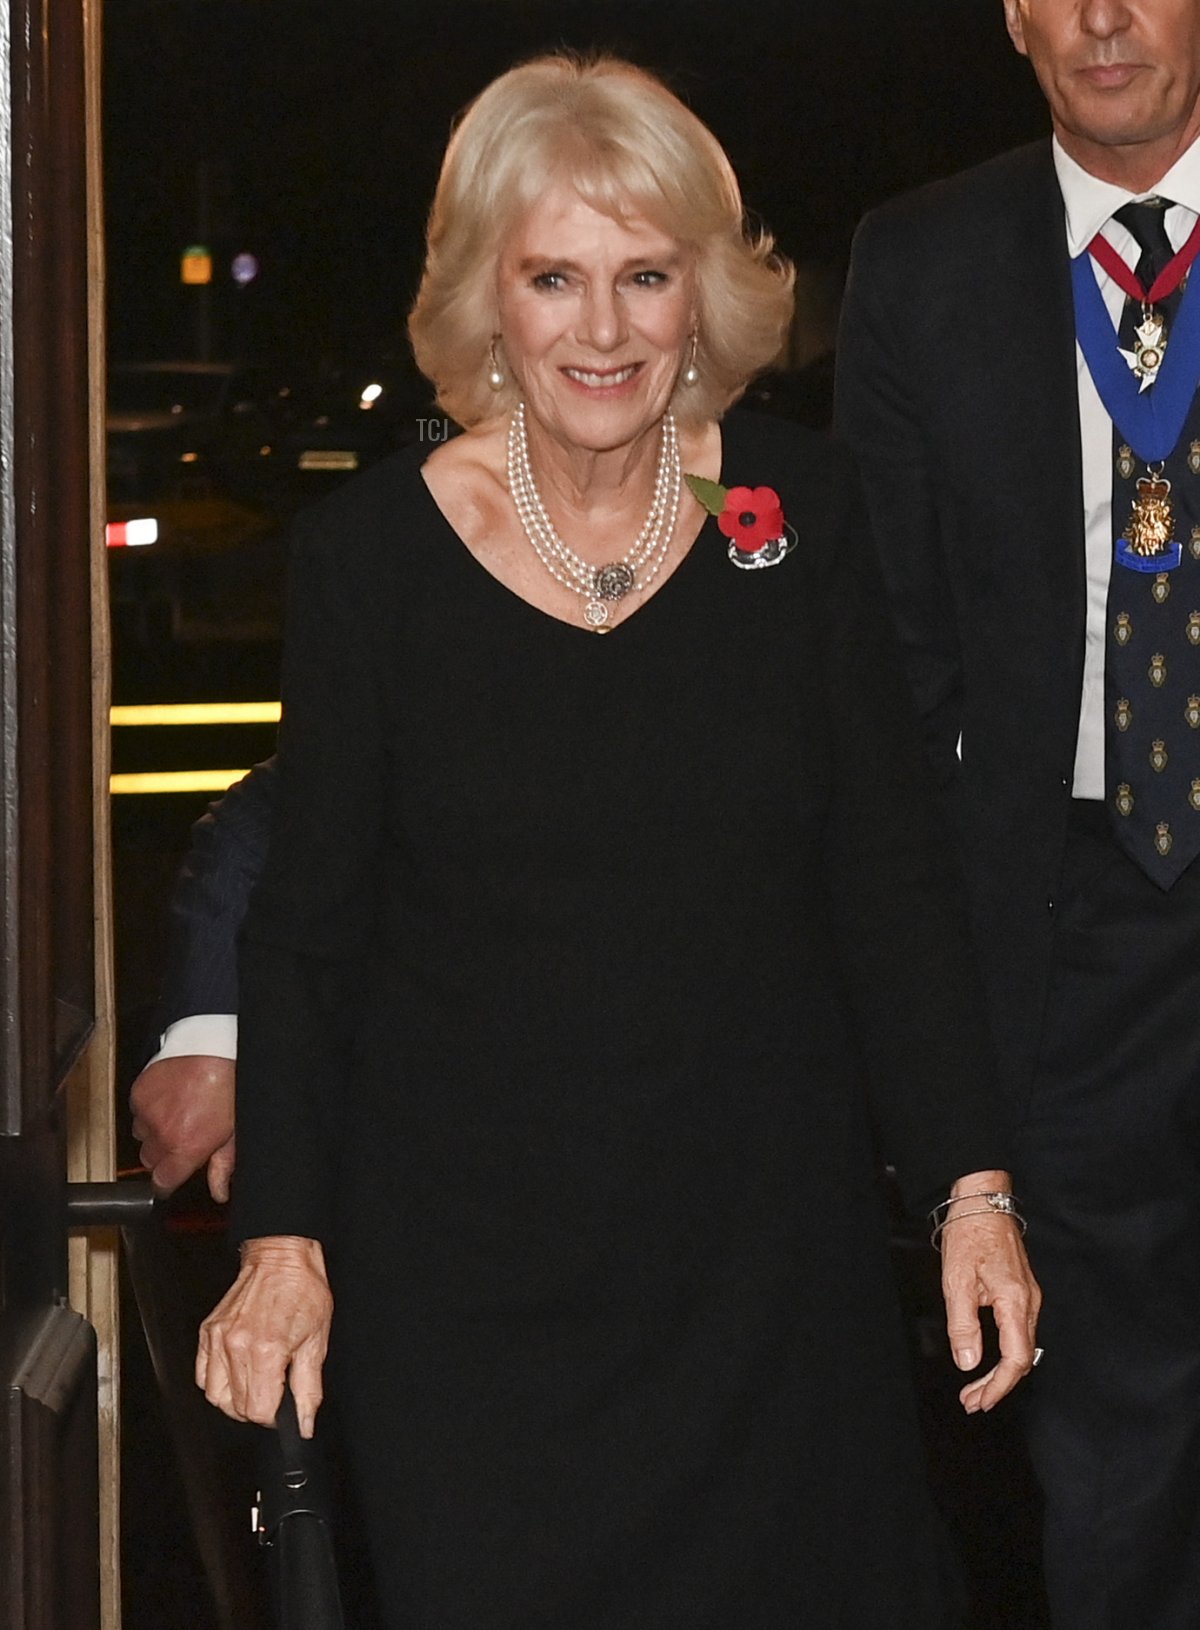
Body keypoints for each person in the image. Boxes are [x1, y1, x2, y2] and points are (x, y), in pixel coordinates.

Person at [194, 54, 1039, 1628]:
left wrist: (972, 1189)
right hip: (474, 1315)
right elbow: (306, 933)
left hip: (771, 1302)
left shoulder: (798, 516)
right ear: (488, 305)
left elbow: (892, 882)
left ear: (704, 296)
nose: (603, 328)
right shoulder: (370, 562)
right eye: (554, 278)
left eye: (645, 276)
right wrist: (283, 1239)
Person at [834, 4, 1200, 1627]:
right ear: (1011, 15)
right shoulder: (924, 262)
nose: (1103, 15)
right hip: (1066, 933)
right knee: (1118, 1441)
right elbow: (893, 670)